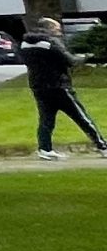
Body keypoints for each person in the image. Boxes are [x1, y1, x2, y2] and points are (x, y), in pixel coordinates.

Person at [21, 18, 104, 160]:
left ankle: (44, 148)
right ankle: (102, 146)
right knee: (81, 117)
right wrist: (86, 57)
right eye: (57, 28)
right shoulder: (51, 42)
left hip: (38, 86)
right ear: (49, 29)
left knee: (46, 119)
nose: (59, 31)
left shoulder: (25, 44)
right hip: (59, 86)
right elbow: (70, 61)